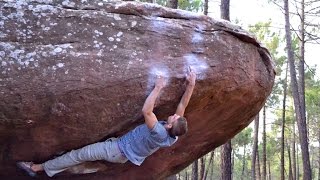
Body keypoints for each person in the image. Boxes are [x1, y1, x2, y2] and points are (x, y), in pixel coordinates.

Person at [17, 67, 196, 177]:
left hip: (115, 150)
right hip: (121, 152)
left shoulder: (159, 132)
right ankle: (70, 165)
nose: (175, 115)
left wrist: (158, 87)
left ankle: (37, 168)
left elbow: (146, 111)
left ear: (171, 125)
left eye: (175, 118)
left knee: (78, 155)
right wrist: (191, 85)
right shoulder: (173, 135)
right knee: (83, 158)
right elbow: (182, 104)